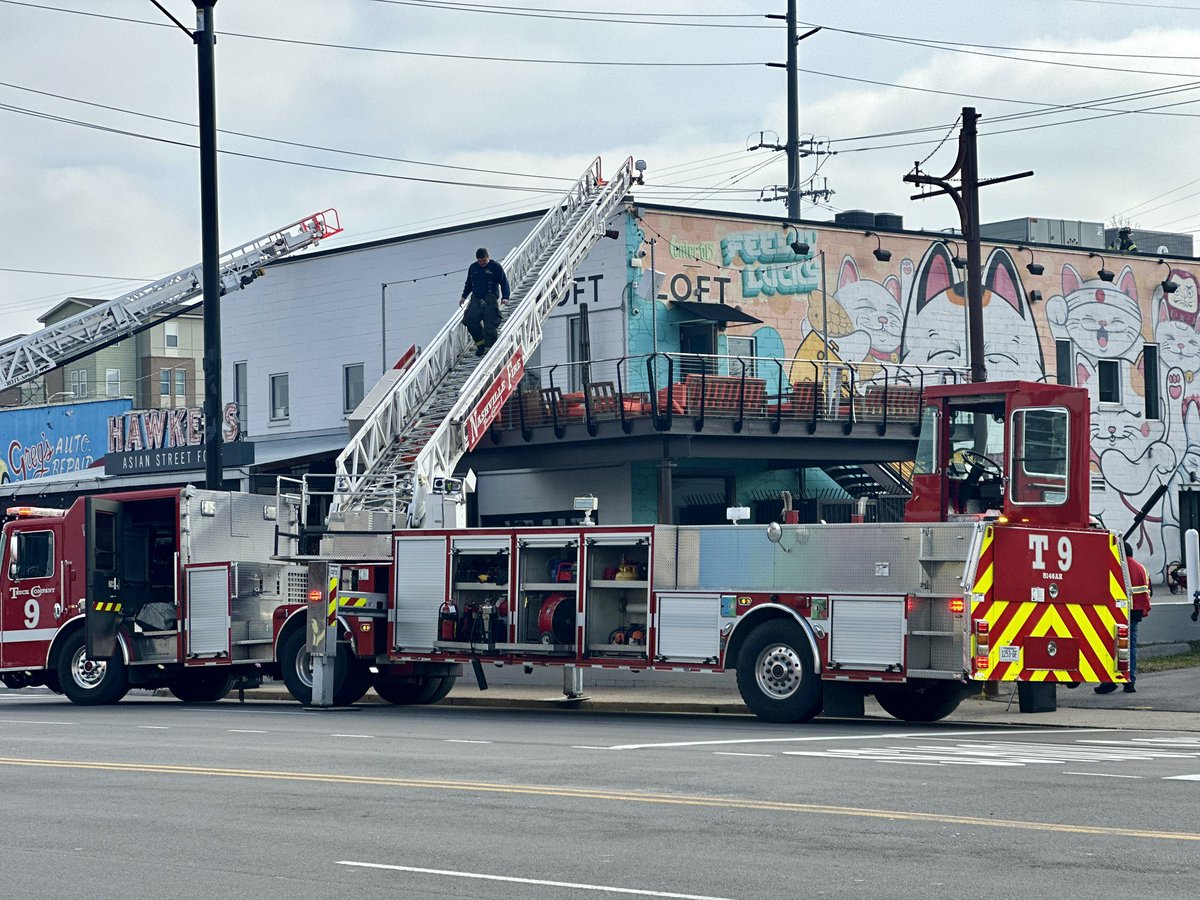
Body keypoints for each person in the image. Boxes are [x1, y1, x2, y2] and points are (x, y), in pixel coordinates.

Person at [1096, 541, 1151, 694]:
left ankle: (1109, 681)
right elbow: (1148, 592)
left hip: (1116, 611)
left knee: (1110, 645)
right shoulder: (1142, 569)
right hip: (1135, 612)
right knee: (1130, 646)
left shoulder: (1117, 567)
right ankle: (1129, 682)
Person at [460, 247, 511, 357]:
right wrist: (464, 296)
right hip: (476, 297)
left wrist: (505, 296)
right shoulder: (473, 268)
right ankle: (480, 344)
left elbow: (504, 282)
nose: (482, 263)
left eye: (484, 260)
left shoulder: (495, 267)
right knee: (469, 320)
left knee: (490, 323)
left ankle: (490, 348)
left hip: (490, 297)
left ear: (488, 257)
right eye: (480, 261)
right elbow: (469, 283)